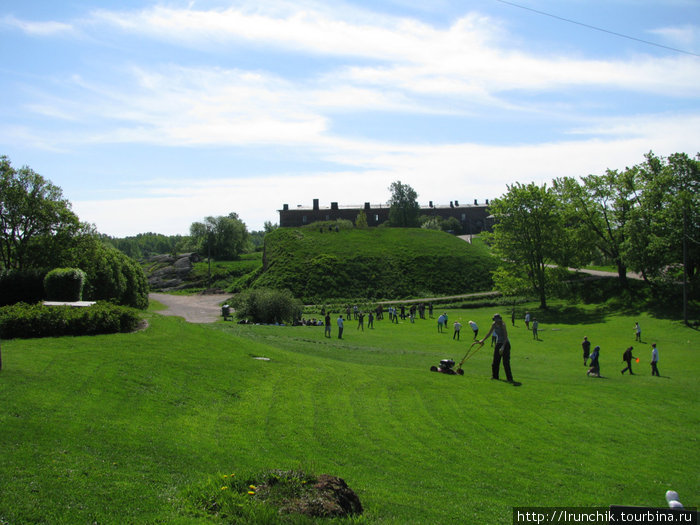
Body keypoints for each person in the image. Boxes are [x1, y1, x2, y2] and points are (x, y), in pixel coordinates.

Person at [478, 313, 514, 383]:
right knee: (495, 361)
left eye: (497, 319)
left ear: (499, 319)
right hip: (498, 343)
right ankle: (495, 377)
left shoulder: (503, 325)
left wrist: (503, 347)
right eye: (495, 319)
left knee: (505, 362)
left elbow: (506, 336)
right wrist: (483, 339)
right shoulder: (494, 324)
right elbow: (489, 333)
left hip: (505, 344)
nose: (496, 321)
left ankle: (509, 378)